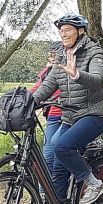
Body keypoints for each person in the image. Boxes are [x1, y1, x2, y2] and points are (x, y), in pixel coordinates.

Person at [32, 13, 103, 204]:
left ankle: (94, 184)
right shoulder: (61, 55)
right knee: (59, 161)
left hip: (95, 114)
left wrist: (77, 74)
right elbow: (49, 83)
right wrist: (30, 101)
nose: (63, 34)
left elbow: (99, 79)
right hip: (71, 116)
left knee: (61, 146)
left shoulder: (94, 52)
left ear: (80, 31)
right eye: (61, 31)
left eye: (67, 30)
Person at [29, 41, 63, 174]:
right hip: (53, 115)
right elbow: (38, 89)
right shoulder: (47, 73)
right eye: (51, 55)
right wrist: (22, 98)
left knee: (60, 152)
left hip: (70, 115)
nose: (53, 58)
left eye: (56, 54)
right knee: (48, 155)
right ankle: (45, 194)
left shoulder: (67, 69)